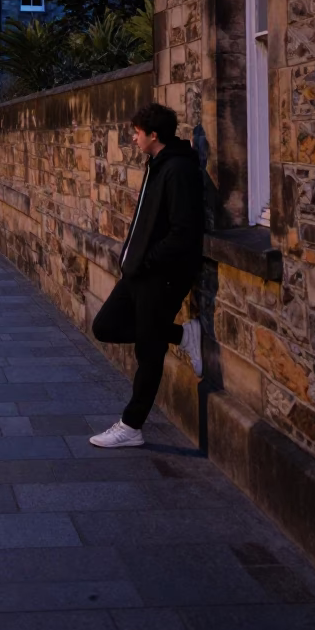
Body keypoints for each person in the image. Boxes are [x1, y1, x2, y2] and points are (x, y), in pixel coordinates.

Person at [89, 102, 205, 449]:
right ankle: (182, 335)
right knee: (105, 326)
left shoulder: (179, 171)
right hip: (140, 272)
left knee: (149, 351)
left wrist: (148, 261)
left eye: (138, 133)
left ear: (154, 135)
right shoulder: (157, 164)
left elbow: (184, 231)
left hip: (161, 275)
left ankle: (131, 425)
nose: (133, 138)